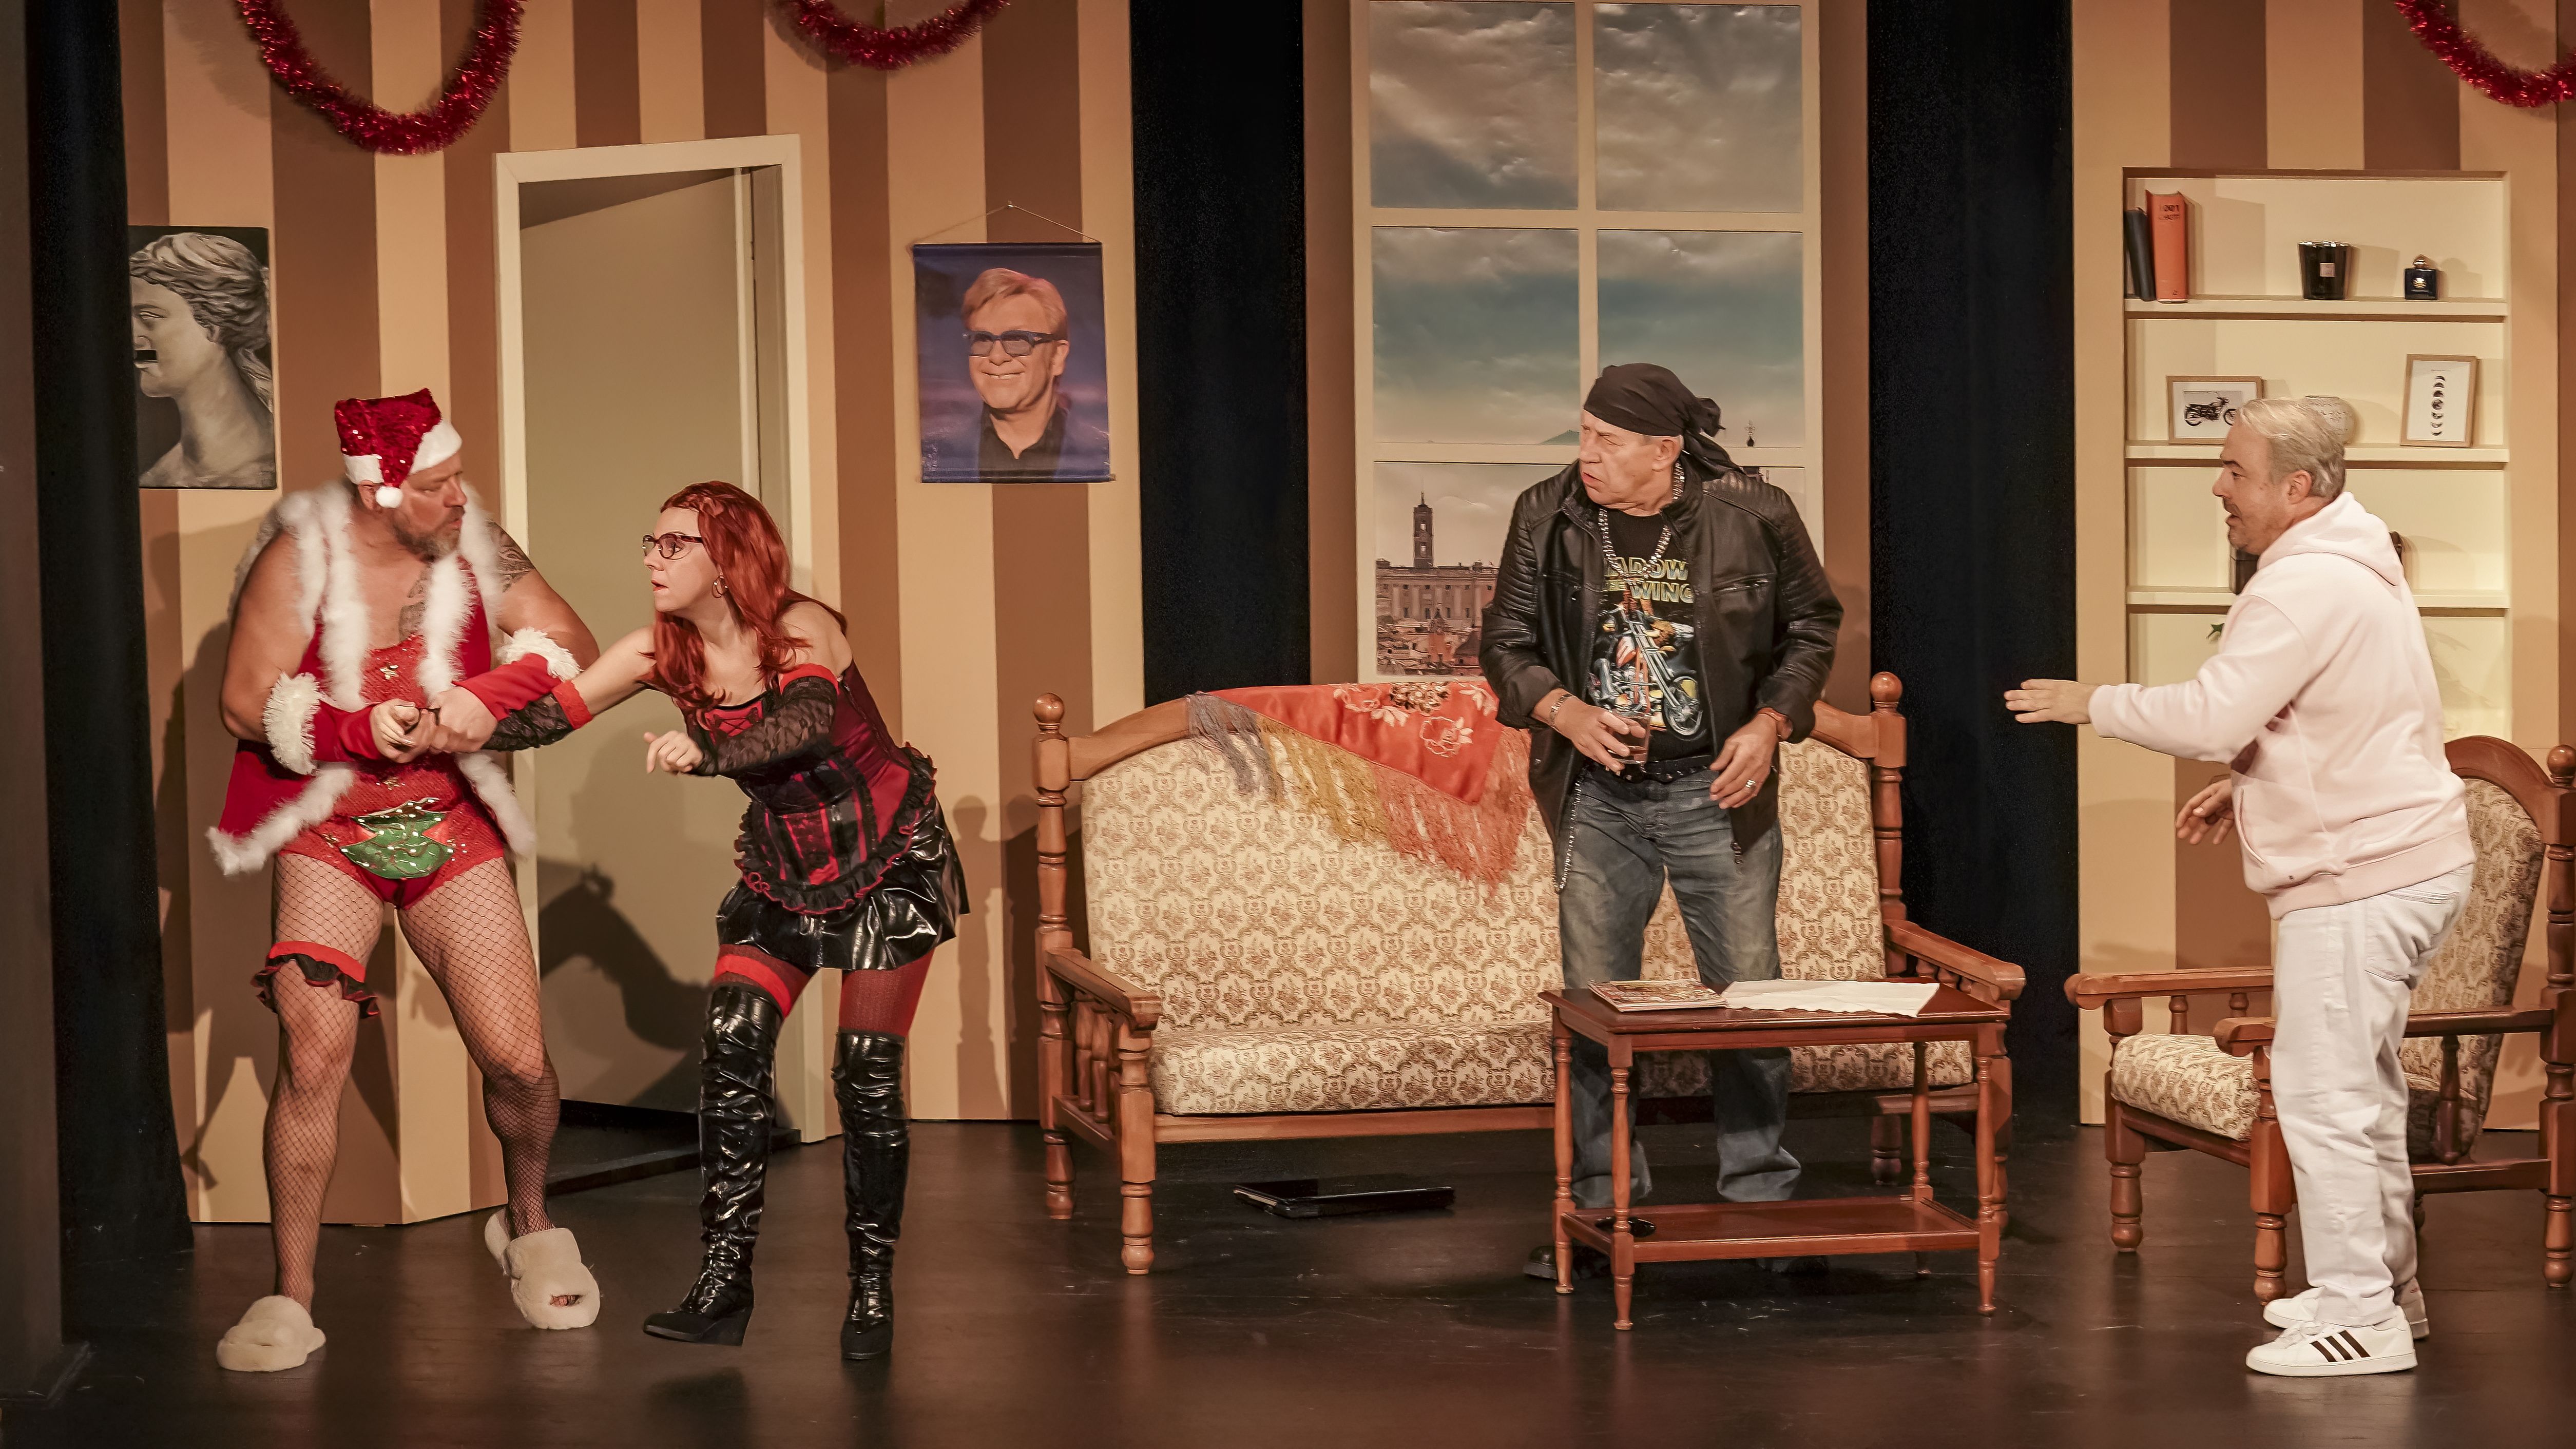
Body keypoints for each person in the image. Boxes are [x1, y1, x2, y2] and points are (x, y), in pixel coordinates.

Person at [2008, 395, 2469, 1378]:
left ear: (2295, 486)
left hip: (2357, 876)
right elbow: (2349, 713)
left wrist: (2090, 702)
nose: (2216, 485)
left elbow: (2212, 713)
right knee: (2359, 1092)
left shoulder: (2300, 583)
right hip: (2394, 860)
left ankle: (2362, 1315)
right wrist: (2252, 778)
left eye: (2234, 470)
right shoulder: (2352, 563)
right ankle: (2384, 1291)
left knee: (2325, 1096)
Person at [472, 480, 965, 1360]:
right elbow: (549, 717)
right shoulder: (657, 651)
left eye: (676, 544)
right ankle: (723, 1283)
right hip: (784, 870)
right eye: (651, 541)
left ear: (729, 560)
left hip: (889, 862)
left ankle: (871, 1286)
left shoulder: (803, 627)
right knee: (732, 1044)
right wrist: (452, 723)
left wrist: (709, 749)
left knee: (865, 1075)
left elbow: (805, 722)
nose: (653, 558)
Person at [207, 390, 604, 1372]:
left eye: (457, 477)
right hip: (329, 829)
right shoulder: (298, 559)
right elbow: (243, 702)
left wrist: (484, 696)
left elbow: (571, 644)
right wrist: (351, 726)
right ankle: (291, 1293)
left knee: (518, 1060)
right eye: (437, 483)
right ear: (380, 492)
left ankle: (529, 1220)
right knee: (315, 1056)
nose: (459, 495)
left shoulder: (475, 543)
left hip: (448, 821)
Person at [1481, 363, 1841, 1280]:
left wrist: (1770, 723)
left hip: (1714, 789)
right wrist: (1562, 710)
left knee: (1748, 1001)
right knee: (1595, 1008)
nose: (1586, 454)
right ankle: (1603, 1211)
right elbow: (1505, 643)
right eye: (1583, 434)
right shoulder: (1546, 513)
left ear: (1663, 450)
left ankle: (1759, 1208)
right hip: (1598, 792)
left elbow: (1811, 626)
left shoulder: (1752, 512)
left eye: (1606, 440)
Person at [920, 266, 1108, 481]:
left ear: (1057, 356)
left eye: (1018, 339)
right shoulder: (934, 455)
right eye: (983, 339)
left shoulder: (1103, 455)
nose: (997, 357)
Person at [130, 231, 275, 490]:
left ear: (214, 327)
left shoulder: (269, 467)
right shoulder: (158, 479)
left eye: (149, 317)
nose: (133, 338)